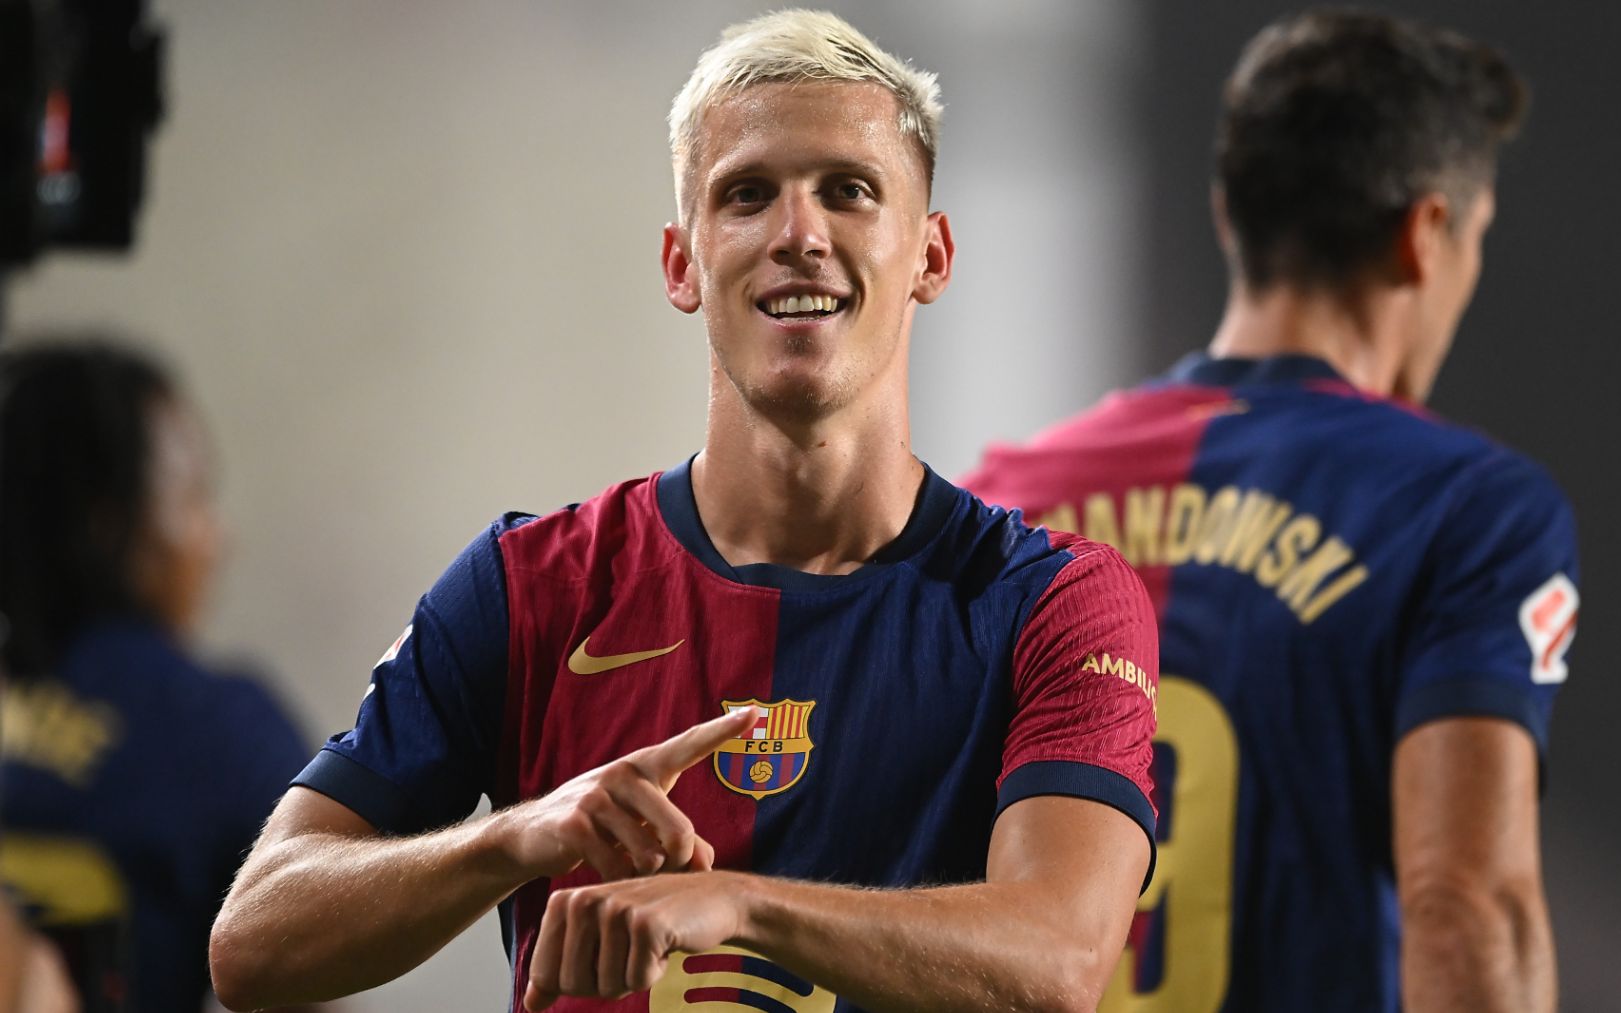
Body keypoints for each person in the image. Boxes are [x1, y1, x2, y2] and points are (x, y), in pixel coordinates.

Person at [208, 10, 1160, 1013]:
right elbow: (254, 943)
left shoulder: (1053, 602)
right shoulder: (529, 586)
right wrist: (519, 833)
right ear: (681, 263)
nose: (799, 233)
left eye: (849, 190)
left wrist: (738, 906)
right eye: (748, 195)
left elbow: (1057, 961)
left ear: (931, 255)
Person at [962, 10, 1571, 1012]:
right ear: (1425, 235)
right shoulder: (1469, 509)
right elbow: (1468, 899)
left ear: (1226, 215)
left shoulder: (1003, 500)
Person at [0, 340, 312, 1013]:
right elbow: (314, 984)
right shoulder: (217, 729)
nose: (217, 539)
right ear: (108, 526)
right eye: (194, 497)